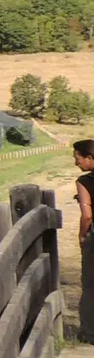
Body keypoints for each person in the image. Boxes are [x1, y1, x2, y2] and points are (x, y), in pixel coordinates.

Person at [74, 140, 94, 339]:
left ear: (89, 158)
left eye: (77, 158)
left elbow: (87, 215)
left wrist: (82, 236)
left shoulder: (85, 181)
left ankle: (90, 332)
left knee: (90, 285)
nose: (76, 163)